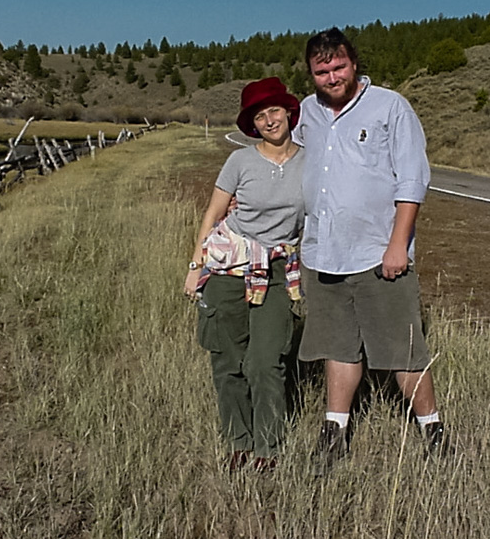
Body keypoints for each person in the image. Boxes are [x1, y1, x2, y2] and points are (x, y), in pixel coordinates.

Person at [293, 27, 446, 472]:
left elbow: (412, 179)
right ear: (311, 74)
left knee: (403, 350)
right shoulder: (306, 112)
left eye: (338, 66)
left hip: (379, 255)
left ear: (354, 63)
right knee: (338, 348)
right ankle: (334, 432)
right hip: (323, 254)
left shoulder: (390, 107)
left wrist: (398, 245)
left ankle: (433, 431)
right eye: (321, 71)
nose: (331, 76)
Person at [184, 77, 305, 473]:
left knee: (265, 361)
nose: (269, 120)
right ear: (253, 124)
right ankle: (239, 442)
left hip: (273, 271)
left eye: (274, 111)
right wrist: (195, 267)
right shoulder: (240, 161)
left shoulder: (310, 161)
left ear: (288, 112)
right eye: (260, 115)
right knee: (228, 361)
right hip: (228, 268)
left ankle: (268, 449)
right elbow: (213, 215)